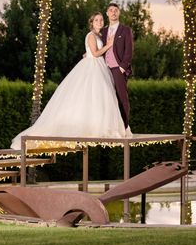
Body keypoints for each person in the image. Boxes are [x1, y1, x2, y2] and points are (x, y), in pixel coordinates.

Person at [10, 12, 130, 150]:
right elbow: (96, 53)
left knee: (100, 97)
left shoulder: (99, 35)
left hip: (98, 66)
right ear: (91, 23)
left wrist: (91, 52)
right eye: (96, 20)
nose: (99, 22)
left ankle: (97, 126)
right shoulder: (91, 35)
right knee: (95, 94)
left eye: (101, 20)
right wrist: (109, 45)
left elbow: (89, 52)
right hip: (93, 67)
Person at [101, 2, 134, 133]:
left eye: (116, 10)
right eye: (111, 10)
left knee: (122, 98)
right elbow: (99, 47)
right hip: (105, 69)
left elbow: (129, 51)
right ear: (107, 13)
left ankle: (125, 127)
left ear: (119, 13)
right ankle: (111, 128)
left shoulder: (125, 30)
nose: (113, 12)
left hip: (118, 69)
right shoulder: (103, 31)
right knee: (107, 98)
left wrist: (122, 67)